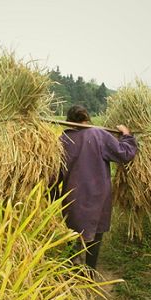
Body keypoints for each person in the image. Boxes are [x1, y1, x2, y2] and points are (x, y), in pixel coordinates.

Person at [54, 105, 137, 274]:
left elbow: (54, 175)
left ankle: (73, 276)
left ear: (69, 122)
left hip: (72, 198)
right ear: (88, 118)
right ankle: (90, 274)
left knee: (73, 235)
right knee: (95, 236)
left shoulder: (63, 141)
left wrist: (54, 196)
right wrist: (127, 135)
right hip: (98, 198)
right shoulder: (99, 135)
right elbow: (125, 153)